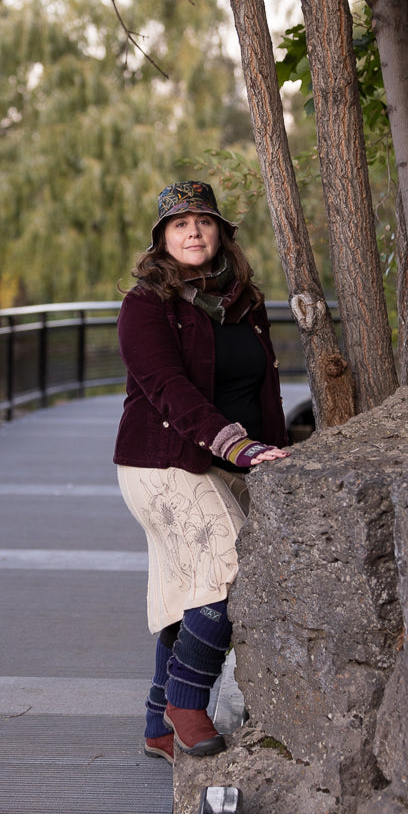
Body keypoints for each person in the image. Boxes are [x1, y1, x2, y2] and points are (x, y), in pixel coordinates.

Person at [113, 180, 289, 764]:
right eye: (180, 224)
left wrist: (271, 454)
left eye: (204, 221)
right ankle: (186, 703)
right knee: (228, 571)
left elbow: (264, 387)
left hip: (232, 461)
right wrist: (236, 446)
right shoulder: (146, 305)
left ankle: (157, 726)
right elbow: (167, 387)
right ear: (162, 239)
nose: (194, 232)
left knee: (193, 591)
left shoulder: (245, 303)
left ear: (221, 233)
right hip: (164, 461)